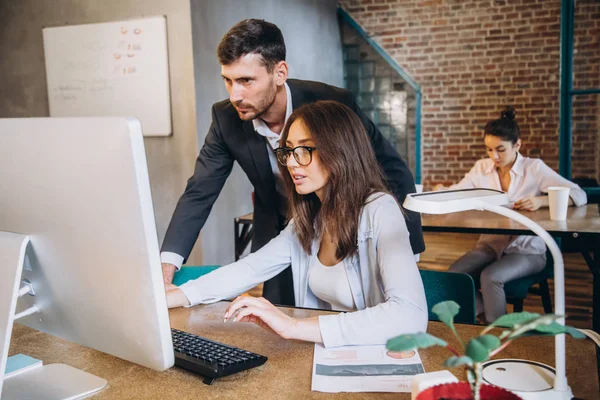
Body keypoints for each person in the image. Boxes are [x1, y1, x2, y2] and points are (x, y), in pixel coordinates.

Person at [160, 19, 425, 306]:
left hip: (346, 218)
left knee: (359, 297)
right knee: (280, 308)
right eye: (228, 80)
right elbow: (200, 191)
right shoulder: (227, 118)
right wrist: (167, 267)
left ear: (280, 73)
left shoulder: (331, 104)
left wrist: (405, 245)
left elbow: (391, 167)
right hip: (287, 225)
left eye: (246, 80)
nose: (234, 95)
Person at [166, 101, 427, 347]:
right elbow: (249, 268)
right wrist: (175, 296)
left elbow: (410, 316)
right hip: (330, 355)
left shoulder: (380, 209)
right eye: (288, 150)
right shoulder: (311, 218)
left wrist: (293, 327)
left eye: (304, 150)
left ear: (340, 150)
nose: (291, 162)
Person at [435, 106, 587, 323]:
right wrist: (441, 191)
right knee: (453, 275)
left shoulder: (534, 168)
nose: (493, 156)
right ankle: (484, 320)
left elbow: (578, 194)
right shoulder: (481, 168)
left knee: (491, 277)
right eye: (488, 150)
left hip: (528, 251)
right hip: (490, 245)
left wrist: (541, 201)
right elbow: (459, 193)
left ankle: (498, 335)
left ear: (517, 145)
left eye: (500, 149)